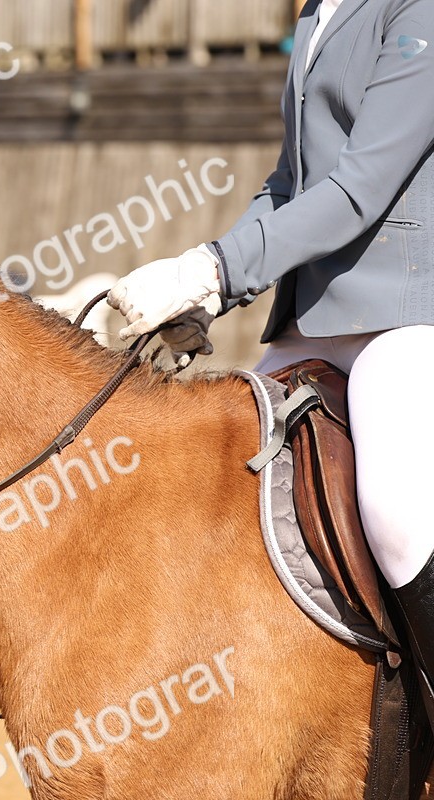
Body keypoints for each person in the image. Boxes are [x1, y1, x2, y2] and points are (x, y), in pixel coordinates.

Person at [108, 0, 434, 703]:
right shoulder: (317, 15)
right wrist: (208, 292)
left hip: (404, 311)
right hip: (308, 318)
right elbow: (289, 186)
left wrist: (211, 269)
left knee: (397, 521)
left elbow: (357, 189)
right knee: (210, 477)